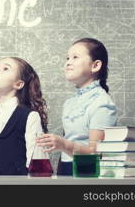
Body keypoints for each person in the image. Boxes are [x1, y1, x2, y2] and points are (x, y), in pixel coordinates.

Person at [36, 38, 117, 175]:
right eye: (67, 58)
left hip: (87, 172)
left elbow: (96, 154)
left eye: (75, 57)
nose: (68, 62)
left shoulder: (102, 102)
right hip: (65, 169)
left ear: (95, 65)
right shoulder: (69, 102)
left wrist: (63, 145)